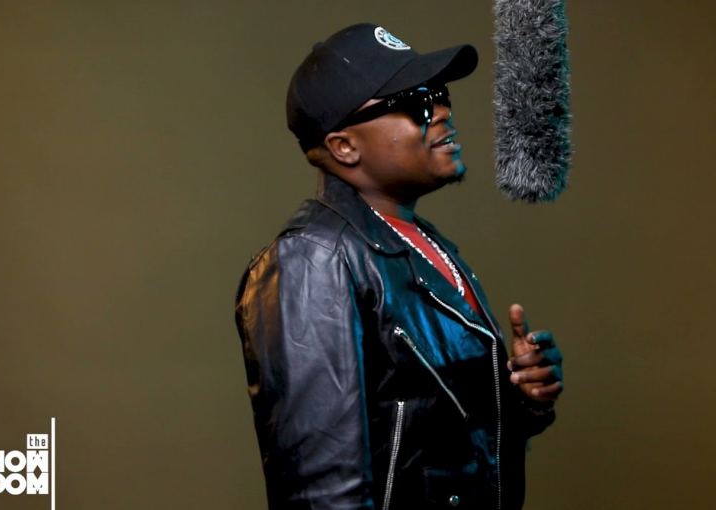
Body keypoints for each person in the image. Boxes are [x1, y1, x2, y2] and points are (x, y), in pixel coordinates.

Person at [234, 23, 564, 510]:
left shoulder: (423, 243)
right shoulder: (313, 260)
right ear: (344, 146)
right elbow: (324, 490)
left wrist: (522, 397)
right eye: (416, 103)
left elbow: (429, 437)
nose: (443, 112)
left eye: (440, 95)